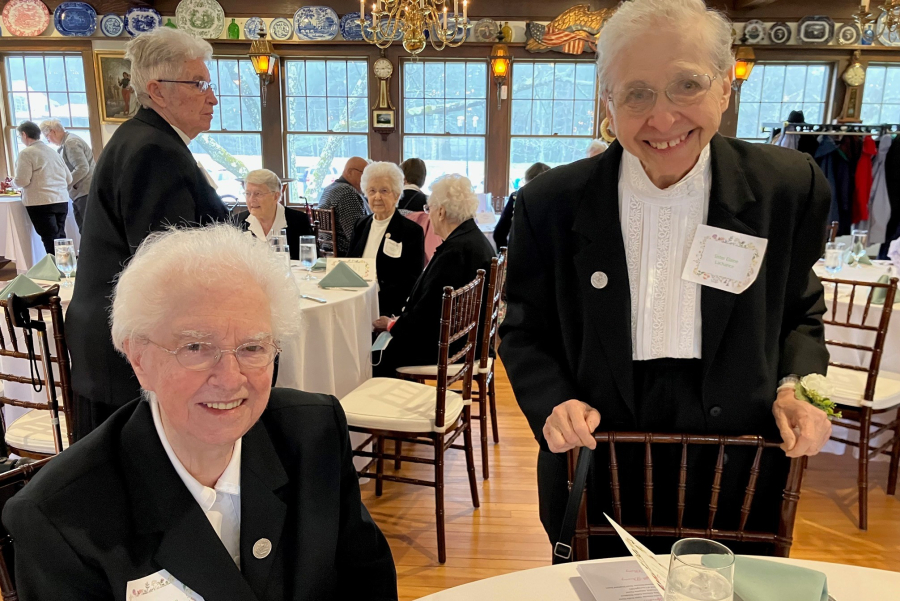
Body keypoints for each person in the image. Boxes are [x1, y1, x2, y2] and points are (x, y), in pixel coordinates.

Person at [499, 0, 833, 560]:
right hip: (598, 453)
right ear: (607, 103)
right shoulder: (550, 203)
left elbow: (801, 314)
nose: (662, 118)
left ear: (725, 88)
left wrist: (798, 387)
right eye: (636, 93)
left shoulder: (788, 187)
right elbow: (523, 331)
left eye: (687, 85)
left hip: (740, 463)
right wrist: (552, 402)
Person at [2, 225, 398, 601]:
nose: (229, 380)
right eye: (196, 348)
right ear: (138, 357)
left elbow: (366, 579)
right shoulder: (60, 517)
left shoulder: (314, 435)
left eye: (253, 347)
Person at [66, 28, 228, 441]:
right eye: (200, 84)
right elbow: (169, 269)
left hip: (110, 342)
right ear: (157, 91)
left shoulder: (140, 138)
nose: (212, 97)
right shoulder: (154, 150)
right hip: (126, 355)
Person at [372, 174, 495, 377]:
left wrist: (391, 324)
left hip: (450, 348)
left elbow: (427, 313)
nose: (428, 215)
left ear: (441, 212)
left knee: (375, 356)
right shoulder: (472, 239)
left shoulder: (456, 252)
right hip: (467, 341)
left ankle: (386, 408)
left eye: (428, 209)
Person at [347, 162, 426, 317]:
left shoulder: (411, 231)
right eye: (372, 191)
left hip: (387, 308)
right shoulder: (361, 224)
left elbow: (411, 280)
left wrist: (374, 299)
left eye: (384, 191)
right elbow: (350, 263)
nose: (377, 197)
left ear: (396, 194)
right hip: (355, 301)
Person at [12, 121, 72, 255]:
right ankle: (67, 269)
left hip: (41, 201)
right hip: (61, 199)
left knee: (49, 238)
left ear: (24, 134)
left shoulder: (26, 153)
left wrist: (12, 183)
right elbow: (69, 178)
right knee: (60, 236)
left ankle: (56, 272)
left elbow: (22, 180)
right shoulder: (53, 152)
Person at [232, 169, 313, 259]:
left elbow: (310, 260)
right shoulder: (237, 221)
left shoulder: (298, 221)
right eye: (248, 193)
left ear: (275, 196)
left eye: (258, 194)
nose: (251, 199)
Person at [40, 119, 95, 232]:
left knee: (89, 230)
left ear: (53, 131)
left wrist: (63, 184)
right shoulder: (67, 142)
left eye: (47, 136)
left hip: (85, 192)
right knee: (84, 229)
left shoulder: (71, 142)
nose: (48, 140)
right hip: (81, 192)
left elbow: (82, 168)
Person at [316, 157, 369, 256]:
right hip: (345, 254)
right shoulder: (347, 192)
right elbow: (356, 235)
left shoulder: (329, 189)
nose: (368, 180)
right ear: (350, 172)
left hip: (326, 251)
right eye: (365, 174)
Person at [493, 162, 550, 250]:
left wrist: (506, 255)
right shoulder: (556, 201)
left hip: (520, 253)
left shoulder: (517, 197)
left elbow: (499, 233)